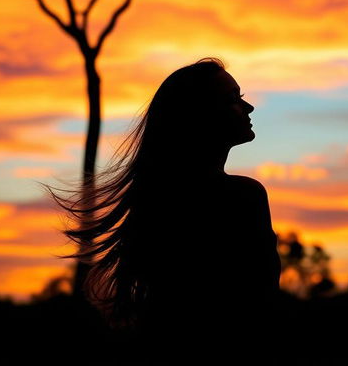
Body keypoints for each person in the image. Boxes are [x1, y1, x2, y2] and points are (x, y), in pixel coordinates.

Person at [47, 57, 283, 364]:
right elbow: (260, 305)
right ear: (201, 116)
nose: (248, 108)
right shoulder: (243, 196)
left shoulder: (158, 202)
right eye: (233, 100)